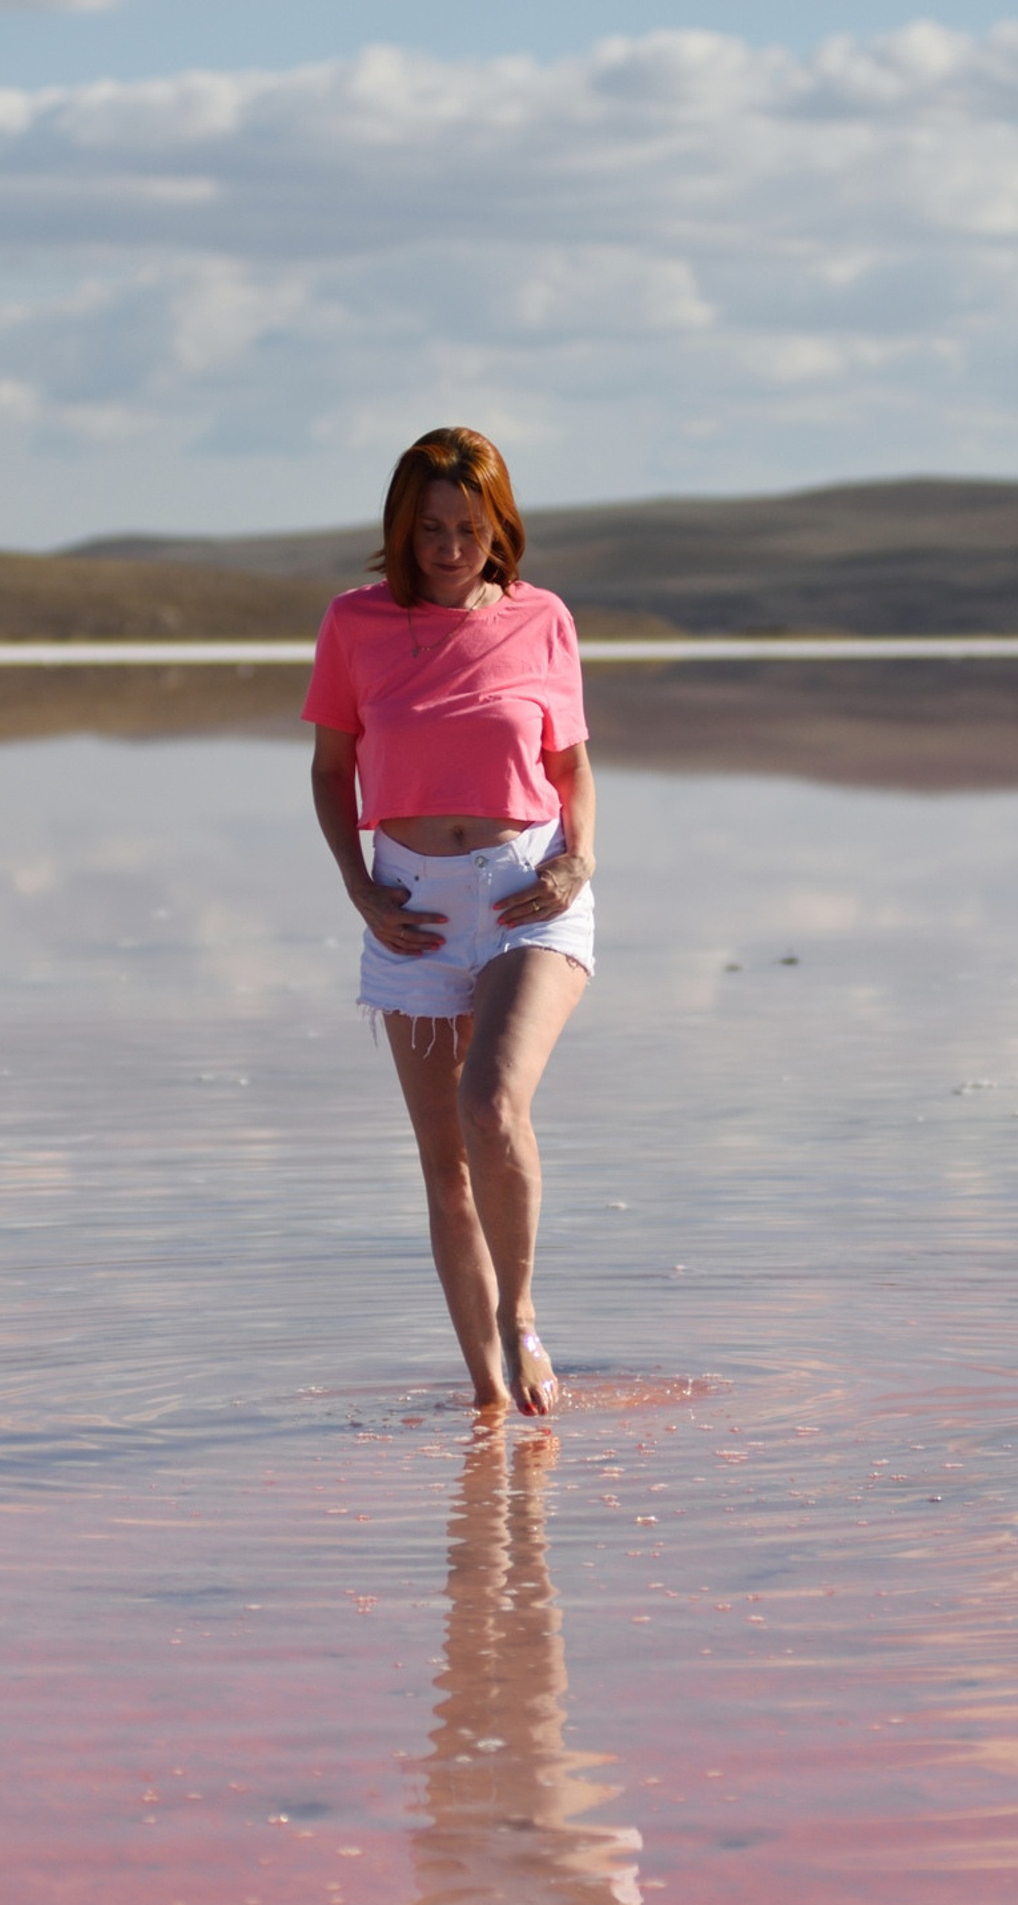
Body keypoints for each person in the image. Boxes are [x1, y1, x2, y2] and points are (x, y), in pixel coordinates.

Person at [305, 428, 595, 1418]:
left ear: (496, 525)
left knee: (490, 1105)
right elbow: (330, 770)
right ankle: (486, 1396)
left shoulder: (543, 619)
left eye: (468, 527)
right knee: (444, 1166)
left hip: (527, 889)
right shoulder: (354, 623)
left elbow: (570, 769)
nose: (448, 547)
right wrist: (358, 886)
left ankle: (520, 1318)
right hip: (411, 907)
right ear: (402, 527)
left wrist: (576, 861)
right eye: (429, 527)